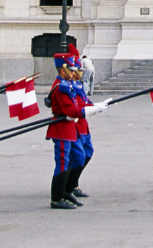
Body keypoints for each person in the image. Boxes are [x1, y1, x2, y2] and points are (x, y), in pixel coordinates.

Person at [47, 50, 103, 209]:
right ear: (63, 69)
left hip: (69, 126)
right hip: (62, 128)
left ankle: (67, 190)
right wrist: (92, 109)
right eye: (71, 70)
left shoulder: (68, 85)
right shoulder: (61, 87)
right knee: (63, 163)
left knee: (78, 156)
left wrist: (94, 107)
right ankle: (57, 198)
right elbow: (72, 111)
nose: (74, 73)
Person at [65, 43, 106, 204]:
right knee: (75, 157)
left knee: (86, 154)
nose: (80, 72)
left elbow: (84, 102)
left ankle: (72, 185)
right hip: (74, 126)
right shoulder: (66, 86)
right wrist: (91, 109)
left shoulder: (77, 85)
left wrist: (96, 107)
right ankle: (68, 188)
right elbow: (74, 108)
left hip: (82, 125)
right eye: (77, 70)